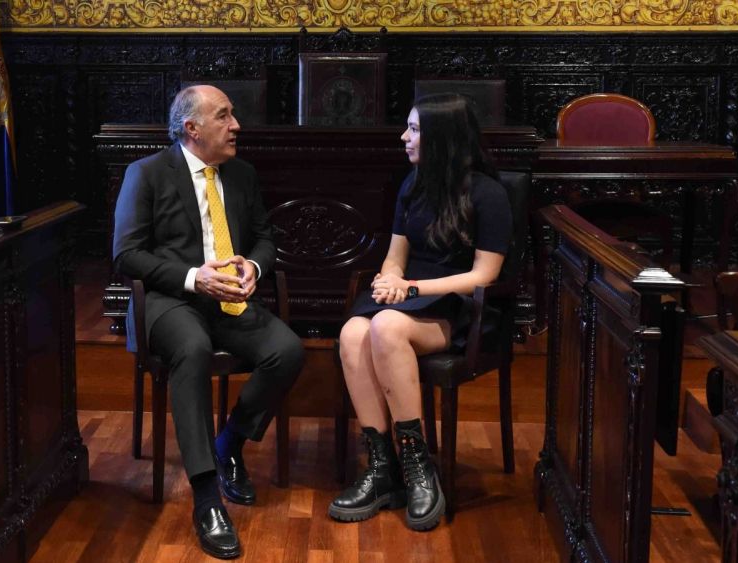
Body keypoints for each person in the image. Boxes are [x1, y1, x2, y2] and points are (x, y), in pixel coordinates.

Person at [113, 85, 304, 559]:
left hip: (229, 300)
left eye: (232, 115)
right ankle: (206, 498)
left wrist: (253, 266)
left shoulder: (241, 174)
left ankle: (229, 442)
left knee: (288, 351)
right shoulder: (147, 173)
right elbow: (126, 254)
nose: (236, 125)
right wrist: (193, 277)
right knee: (193, 349)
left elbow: (264, 238)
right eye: (224, 116)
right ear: (192, 128)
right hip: (170, 301)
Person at [329, 94, 512, 530]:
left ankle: (418, 466)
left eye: (413, 129)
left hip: (459, 304)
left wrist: (410, 287)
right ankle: (382, 468)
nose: (404, 137)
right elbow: (396, 256)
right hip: (409, 296)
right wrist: (389, 279)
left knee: (386, 326)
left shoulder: (488, 193)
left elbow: (484, 275)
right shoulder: (413, 184)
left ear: (442, 137)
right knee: (353, 332)